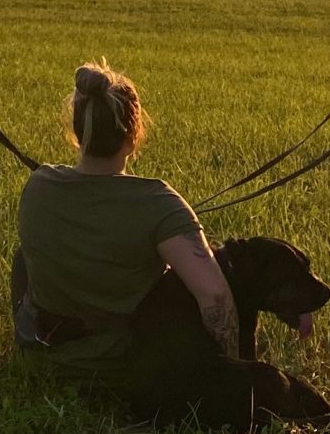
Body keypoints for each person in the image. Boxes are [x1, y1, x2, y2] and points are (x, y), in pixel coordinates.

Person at [15, 61, 243, 406]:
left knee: (22, 259)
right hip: (127, 371)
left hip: (41, 360)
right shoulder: (159, 204)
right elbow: (215, 297)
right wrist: (228, 373)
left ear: (77, 132)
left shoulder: (39, 185)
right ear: (134, 136)